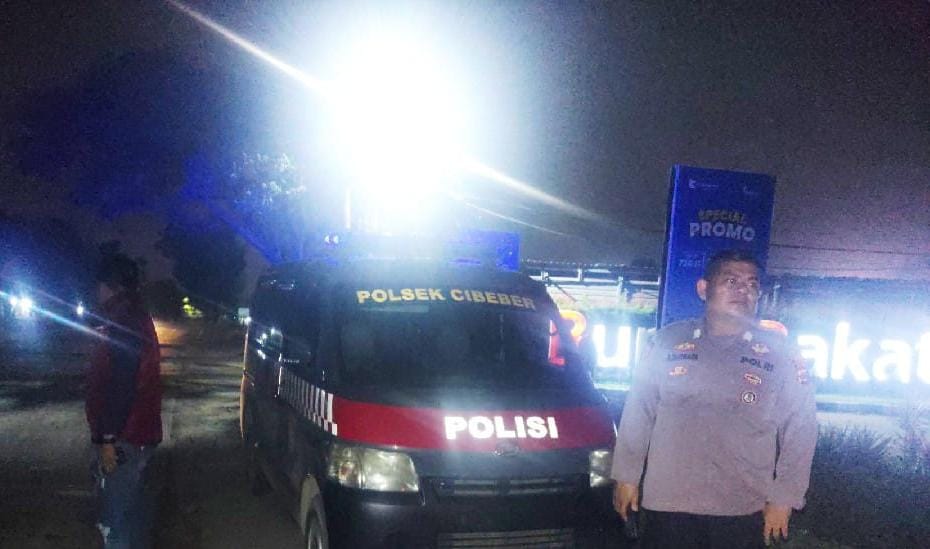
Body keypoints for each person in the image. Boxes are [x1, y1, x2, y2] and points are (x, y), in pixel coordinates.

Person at [611, 249, 817, 548]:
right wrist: (626, 476)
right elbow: (639, 412)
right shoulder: (667, 341)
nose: (743, 290)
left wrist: (785, 497)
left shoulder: (780, 352)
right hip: (668, 503)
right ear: (703, 288)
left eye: (751, 284)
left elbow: (801, 428)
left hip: (742, 507)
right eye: (731, 281)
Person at [86, 253, 162, 548]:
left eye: (100, 285)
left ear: (112, 286)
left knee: (115, 523)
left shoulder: (125, 321)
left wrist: (107, 438)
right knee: (129, 515)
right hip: (135, 433)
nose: (97, 291)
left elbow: (121, 385)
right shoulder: (131, 316)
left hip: (125, 437)